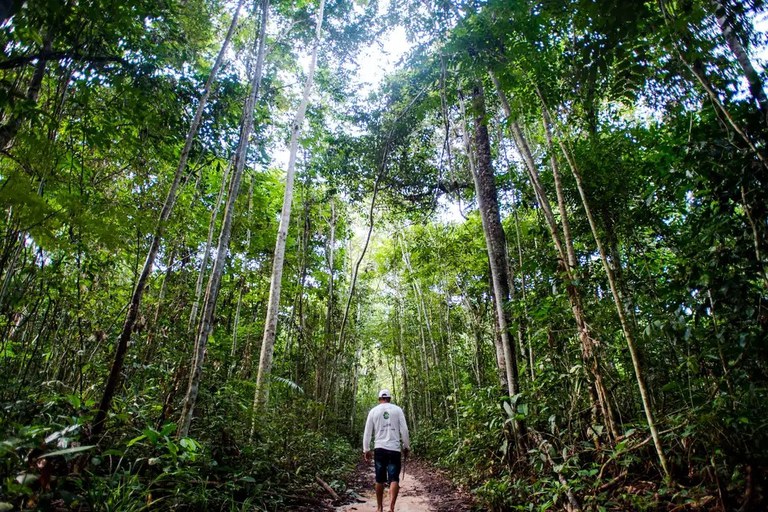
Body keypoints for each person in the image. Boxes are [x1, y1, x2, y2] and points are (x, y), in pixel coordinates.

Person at [363, 389, 411, 512]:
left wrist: (366, 449)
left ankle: (379, 508)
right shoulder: (397, 410)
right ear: (389, 398)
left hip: (379, 448)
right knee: (394, 478)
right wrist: (406, 446)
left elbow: (368, 432)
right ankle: (391, 508)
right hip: (394, 449)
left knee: (379, 479)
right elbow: (404, 430)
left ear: (379, 399)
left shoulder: (373, 411)